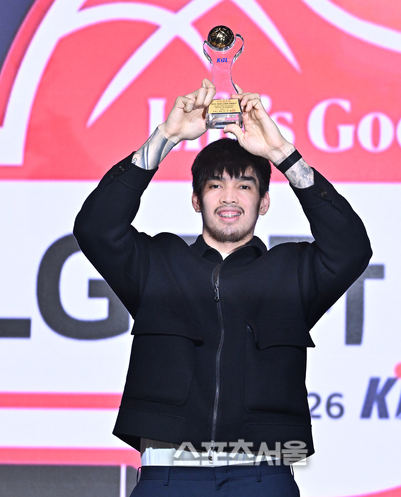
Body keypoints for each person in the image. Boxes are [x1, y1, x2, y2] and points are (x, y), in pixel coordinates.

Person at [73, 79, 371, 495]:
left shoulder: (292, 272)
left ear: (263, 202)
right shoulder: (157, 264)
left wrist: (282, 154)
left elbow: (351, 249)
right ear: (197, 200)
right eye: (215, 185)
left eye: (244, 186)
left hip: (262, 474)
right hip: (169, 475)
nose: (229, 197)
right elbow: (95, 228)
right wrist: (166, 137)